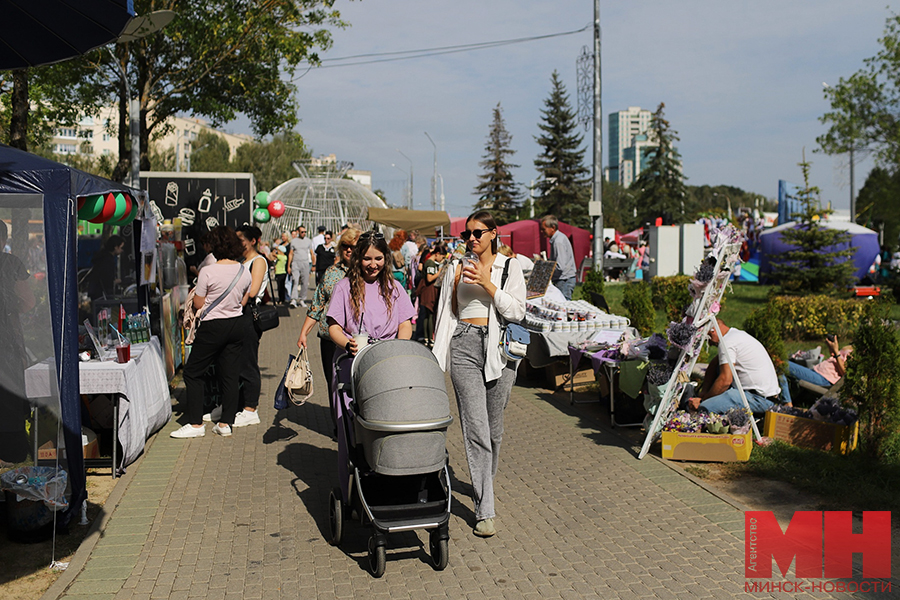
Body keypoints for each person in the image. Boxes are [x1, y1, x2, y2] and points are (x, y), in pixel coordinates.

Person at [432, 210, 526, 538]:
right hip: (464, 346)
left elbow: (518, 309)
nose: (471, 239)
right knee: (476, 429)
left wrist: (487, 284)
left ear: (493, 234)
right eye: (467, 234)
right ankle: (485, 508)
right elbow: (445, 313)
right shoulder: (456, 267)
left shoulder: (510, 266)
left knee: (494, 430)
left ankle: (484, 481)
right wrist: (435, 361)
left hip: (501, 350)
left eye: (478, 233)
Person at [172, 226, 251, 439]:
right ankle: (226, 423)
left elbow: (198, 302)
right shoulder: (244, 270)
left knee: (193, 372)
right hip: (236, 324)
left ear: (215, 246)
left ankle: (196, 424)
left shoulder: (208, 271)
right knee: (230, 375)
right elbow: (244, 300)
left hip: (213, 326)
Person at [205, 224, 269, 428]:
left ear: (252, 241)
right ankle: (231, 407)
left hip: (248, 314)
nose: (237, 244)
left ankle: (251, 408)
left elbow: (253, 291)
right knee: (232, 364)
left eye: (241, 240)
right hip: (236, 314)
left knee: (248, 363)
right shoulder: (241, 261)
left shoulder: (258, 261)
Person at [298, 227, 361, 418]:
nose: (349, 250)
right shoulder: (331, 273)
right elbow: (317, 304)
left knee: (357, 382)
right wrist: (303, 333)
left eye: (353, 247)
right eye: (345, 246)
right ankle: (338, 425)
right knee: (333, 382)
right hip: (328, 338)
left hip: (356, 339)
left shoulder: (367, 273)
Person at [326, 229, 416, 356]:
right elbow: (334, 327)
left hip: (387, 358)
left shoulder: (395, 287)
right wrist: (347, 344)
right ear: (358, 259)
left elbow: (405, 324)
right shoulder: (343, 287)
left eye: (378, 259)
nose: (373, 265)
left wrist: (399, 346)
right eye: (367, 259)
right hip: (353, 360)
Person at [686, 318, 783, 414]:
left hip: (759, 399)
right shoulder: (735, 335)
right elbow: (714, 364)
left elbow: (725, 380)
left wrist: (703, 401)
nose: (710, 344)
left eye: (707, 339)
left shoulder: (727, 342)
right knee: (719, 368)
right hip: (764, 396)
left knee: (706, 408)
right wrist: (704, 392)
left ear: (713, 331)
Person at [0, 221, 35, 464]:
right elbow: (29, 301)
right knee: (9, 399)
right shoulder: (11, 263)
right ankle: (11, 455)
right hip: (6, 342)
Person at [782, 335, 852, 403]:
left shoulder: (858, 355)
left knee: (782, 363)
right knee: (779, 364)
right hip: (817, 372)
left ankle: (787, 403)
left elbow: (846, 374)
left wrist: (836, 352)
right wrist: (832, 350)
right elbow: (838, 360)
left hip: (824, 379)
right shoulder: (852, 347)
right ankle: (784, 400)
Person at [540, 215, 576, 300]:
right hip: (563, 279)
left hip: (564, 280)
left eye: (544, 229)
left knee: (563, 306)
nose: (542, 231)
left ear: (552, 227)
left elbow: (560, 266)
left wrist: (545, 269)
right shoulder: (558, 239)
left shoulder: (558, 241)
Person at [418, 243, 447, 347]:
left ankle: (428, 337)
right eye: (442, 257)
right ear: (437, 254)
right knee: (429, 315)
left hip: (428, 291)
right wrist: (440, 272)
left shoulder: (429, 262)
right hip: (428, 291)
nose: (441, 259)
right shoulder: (430, 263)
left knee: (427, 315)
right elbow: (429, 278)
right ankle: (429, 338)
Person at [87, 234, 125, 301]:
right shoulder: (107, 260)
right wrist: (115, 281)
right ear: (115, 247)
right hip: (101, 293)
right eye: (121, 248)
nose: (122, 250)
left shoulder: (103, 256)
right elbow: (107, 278)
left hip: (95, 291)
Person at [288, 226, 314, 308]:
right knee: (295, 281)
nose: (304, 233)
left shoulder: (308, 241)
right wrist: (289, 266)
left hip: (305, 262)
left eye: (305, 232)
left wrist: (313, 264)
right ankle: (294, 299)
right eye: (302, 232)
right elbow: (291, 253)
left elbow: (312, 253)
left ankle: (302, 299)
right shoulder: (294, 241)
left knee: (305, 282)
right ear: (298, 232)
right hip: (296, 262)